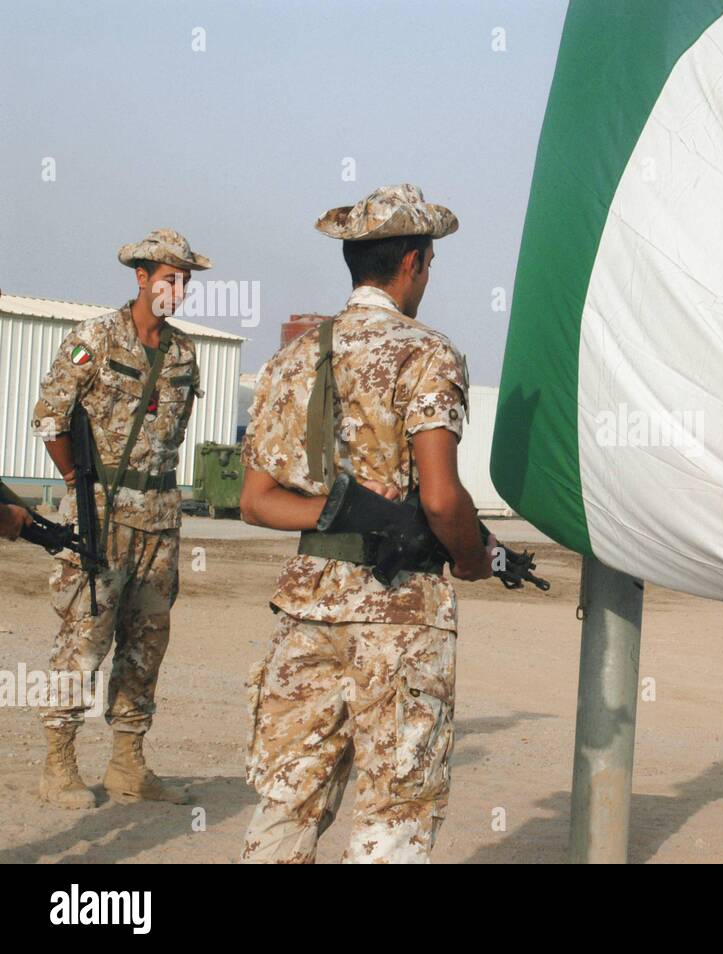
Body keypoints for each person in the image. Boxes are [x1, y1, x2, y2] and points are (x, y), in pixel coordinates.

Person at [239, 183, 493, 863]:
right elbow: (441, 499)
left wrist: (335, 509)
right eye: (429, 265)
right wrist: (474, 556)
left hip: (308, 608)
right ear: (412, 263)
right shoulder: (426, 352)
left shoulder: (292, 358)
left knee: (287, 797)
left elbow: (256, 501)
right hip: (401, 614)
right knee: (395, 809)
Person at [30, 228, 209, 808]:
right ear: (141, 277)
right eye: (166, 278)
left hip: (159, 518)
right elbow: (50, 418)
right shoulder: (94, 339)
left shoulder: (183, 353)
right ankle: (59, 762)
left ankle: (128, 762)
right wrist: (75, 482)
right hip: (100, 517)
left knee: (146, 643)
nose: (175, 290)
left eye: (183, 281)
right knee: (84, 638)